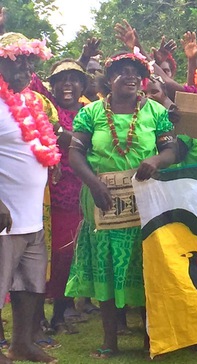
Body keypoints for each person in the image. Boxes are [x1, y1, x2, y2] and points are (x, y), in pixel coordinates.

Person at [65, 50, 177, 359]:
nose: (130, 76)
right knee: (108, 266)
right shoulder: (91, 114)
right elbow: (76, 154)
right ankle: (109, 340)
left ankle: (148, 337)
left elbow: (172, 150)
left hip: (145, 202)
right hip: (102, 200)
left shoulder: (155, 111)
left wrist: (156, 159)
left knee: (144, 267)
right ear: (108, 79)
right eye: (122, 70)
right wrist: (94, 183)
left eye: (135, 72)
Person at [0, 31, 60, 364]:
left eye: (28, 62)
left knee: (29, 286)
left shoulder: (32, 102)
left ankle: (21, 344)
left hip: (33, 217)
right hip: (4, 217)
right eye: (16, 62)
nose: (24, 70)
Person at [29, 59, 90, 335]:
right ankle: (38, 315)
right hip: (47, 196)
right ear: (51, 86)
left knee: (70, 257)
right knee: (43, 257)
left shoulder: (93, 113)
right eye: (61, 79)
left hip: (81, 196)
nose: (68, 84)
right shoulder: (44, 111)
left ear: (83, 86)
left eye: (74, 78)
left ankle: (60, 315)